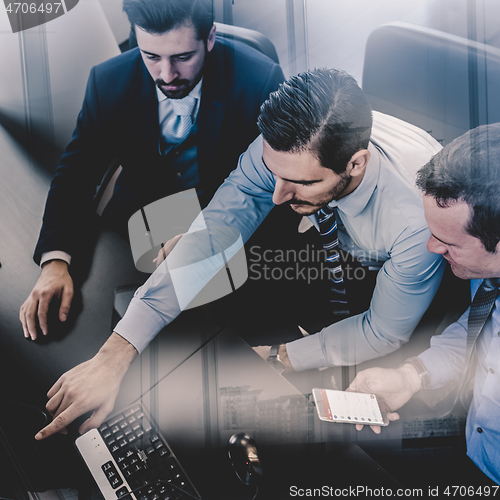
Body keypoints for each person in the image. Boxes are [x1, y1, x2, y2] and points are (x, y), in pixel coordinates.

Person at [34, 67, 445, 440]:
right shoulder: (289, 146)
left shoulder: (417, 218)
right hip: (321, 245)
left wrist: (282, 356)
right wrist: (114, 354)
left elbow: (384, 330)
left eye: (298, 183)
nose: (278, 195)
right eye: (273, 173)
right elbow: (214, 232)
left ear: (355, 164)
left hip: (405, 286)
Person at [19, 0, 284, 340]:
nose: (166, 75)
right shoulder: (107, 82)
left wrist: (211, 237)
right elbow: (76, 173)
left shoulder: (260, 82)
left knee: (210, 341)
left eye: (182, 57)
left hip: (224, 223)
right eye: (151, 57)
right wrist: (55, 261)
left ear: (211, 37)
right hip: (137, 225)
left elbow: (275, 185)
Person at [348, 123, 500, 485]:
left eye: (447, 241)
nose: (433, 248)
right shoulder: (484, 267)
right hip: (478, 453)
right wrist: (410, 376)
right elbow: (480, 325)